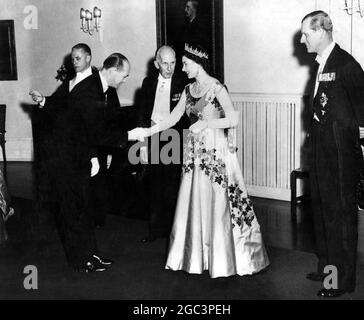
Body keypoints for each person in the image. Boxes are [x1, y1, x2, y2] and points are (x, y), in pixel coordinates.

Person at [131, 43, 269, 278]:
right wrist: (144, 133)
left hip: (216, 151)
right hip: (195, 152)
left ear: (198, 64)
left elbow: (233, 119)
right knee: (197, 202)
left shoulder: (215, 87)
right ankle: (199, 257)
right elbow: (172, 119)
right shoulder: (188, 90)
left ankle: (226, 258)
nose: (182, 68)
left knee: (221, 205)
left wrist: (207, 123)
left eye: (185, 64)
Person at [30, 52, 139, 273]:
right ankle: (81, 261)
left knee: (84, 208)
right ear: (112, 70)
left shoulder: (98, 87)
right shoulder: (90, 90)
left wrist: (92, 156)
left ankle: (91, 254)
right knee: (73, 210)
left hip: (77, 152)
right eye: (124, 75)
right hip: (65, 157)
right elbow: (95, 132)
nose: (125, 80)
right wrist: (128, 136)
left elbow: (82, 124)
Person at [300, 11, 364, 297]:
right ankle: (328, 268)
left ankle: (340, 280)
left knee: (339, 216)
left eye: (306, 34)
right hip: (320, 151)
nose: (302, 40)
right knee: (322, 211)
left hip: (340, 155)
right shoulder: (322, 63)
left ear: (322, 31)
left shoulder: (347, 64)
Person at [30, 43, 112, 228]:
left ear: (88, 58)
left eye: (78, 58)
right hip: (75, 147)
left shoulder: (102, 83)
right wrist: (42, 99)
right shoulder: (70, 82)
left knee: (95, 189)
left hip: (96, 145)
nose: (74, 62)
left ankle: (95, 227)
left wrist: (108, 150)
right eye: (72, 58)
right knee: (79, 192)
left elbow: (108, 118)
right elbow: (58, 105)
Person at [138, 46, 188, 243]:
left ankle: (175, 234)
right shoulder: (148, 83)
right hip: (152, 136)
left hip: (175, 137)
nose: (170, 68)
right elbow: (141, 115)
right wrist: (142, 145)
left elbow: (194, 109)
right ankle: (155, 230)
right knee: (154, 185)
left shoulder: (184, 81)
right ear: (156, 64)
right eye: (165, 63)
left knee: (173, 186)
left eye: (173, 63)